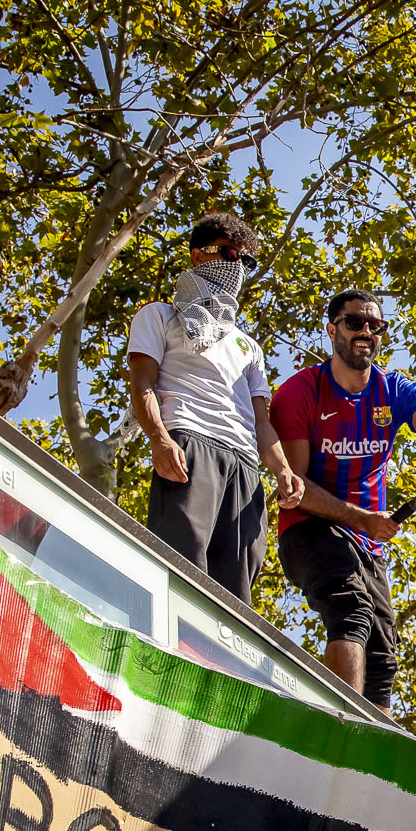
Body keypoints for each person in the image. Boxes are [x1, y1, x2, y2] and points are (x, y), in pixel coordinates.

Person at [272, 289, 416, 710]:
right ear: (332, 329)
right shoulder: (300, 391)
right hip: (310, 527)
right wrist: (361, 518)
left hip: (366, 541)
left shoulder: (394, 389)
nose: (366, 332)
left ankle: (369, 760)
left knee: (382, 658)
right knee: (350, 609)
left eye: (376, 325)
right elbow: (296, 486)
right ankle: (339, 725)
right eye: (355, 322)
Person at [128, 213, 304, 599]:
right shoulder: (159, 315)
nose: (236, 265)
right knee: (181, 567)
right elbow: (142, 384)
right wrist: (159, 440)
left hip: (244, 465)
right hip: (190, 444)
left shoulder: (249, 346)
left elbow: (262, 420)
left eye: (246, 260)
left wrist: (283, 470)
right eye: (228, 253)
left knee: (237, 585)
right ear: (198, 256)